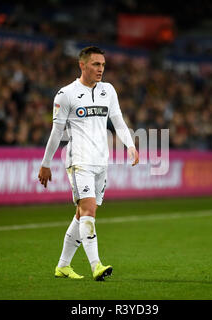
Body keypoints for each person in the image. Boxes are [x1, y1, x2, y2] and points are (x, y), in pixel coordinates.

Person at [38, 46, 139, 280]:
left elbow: (117, 121)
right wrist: (46, 163)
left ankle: (63, 265)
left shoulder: (108, 91)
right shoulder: (66, 94)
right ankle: (96, 266)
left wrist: (130, 145)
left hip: (101, 162)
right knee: (89, 209)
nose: (101, 69)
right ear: (82, 65)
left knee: (81, 214)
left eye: (103, 65)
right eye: (96, 64)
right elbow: (56, 132)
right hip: (79, 161)